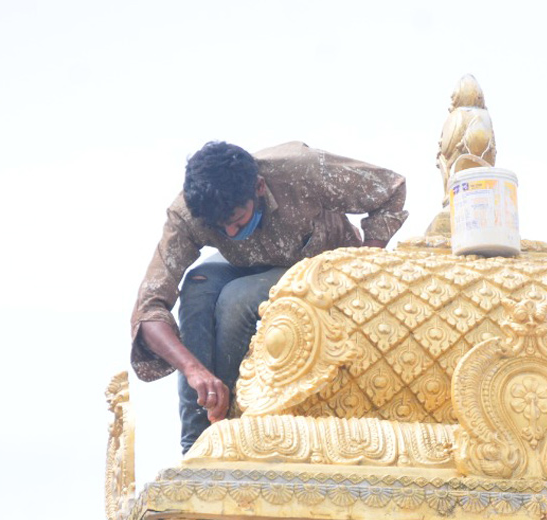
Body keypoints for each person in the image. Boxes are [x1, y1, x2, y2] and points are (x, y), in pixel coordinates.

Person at [130, 141, 407, 452]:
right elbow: (149, 309)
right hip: (247, 266)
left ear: (259, 188)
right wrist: (195, 371)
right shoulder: (188, 213)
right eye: (221, 230)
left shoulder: (301, 170)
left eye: (238, 221)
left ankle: (231, 423)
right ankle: (196, 443)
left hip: (318, 266)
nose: (231, 233)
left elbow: (390, 188)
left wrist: (362, 264)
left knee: (237, 299)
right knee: (199, 284)